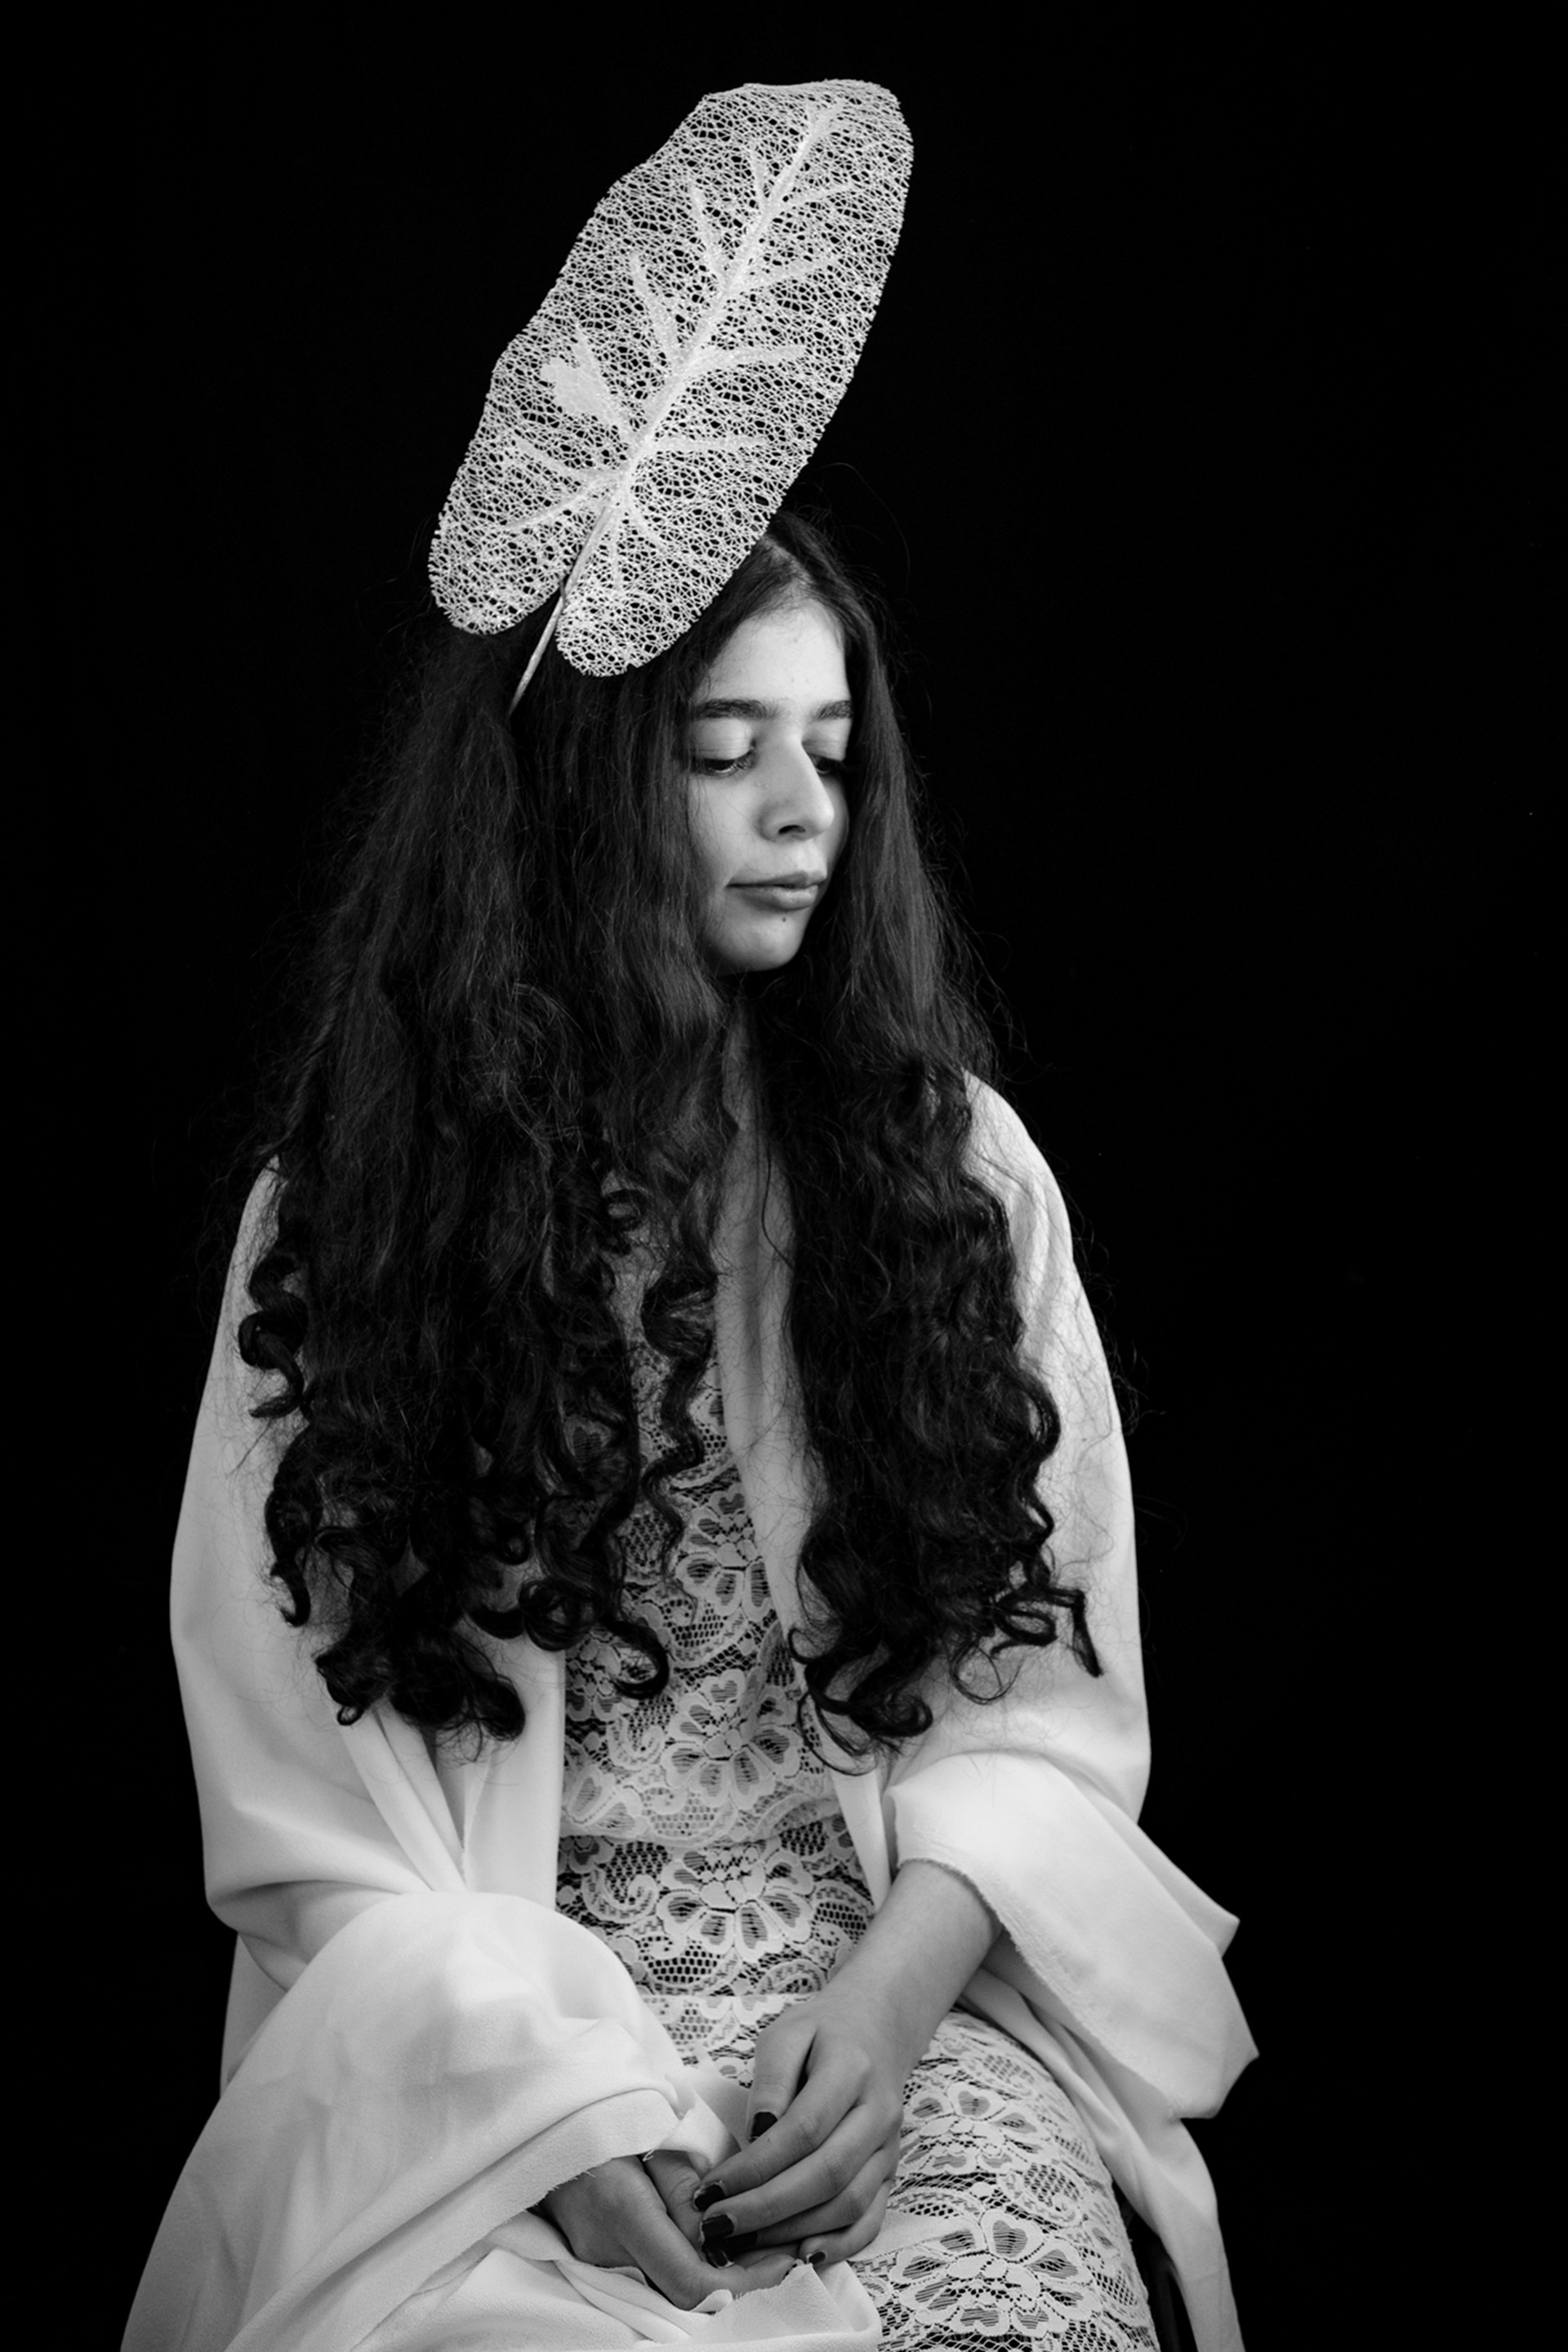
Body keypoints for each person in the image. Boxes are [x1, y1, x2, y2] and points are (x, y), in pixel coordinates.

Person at [127, 509, 1254, 2352]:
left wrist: (883, 2021)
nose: (806, 814)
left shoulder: (955, 1181)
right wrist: (555, 2124)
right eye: (727, 753)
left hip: (888, 2004)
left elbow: (1049, 1715)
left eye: (834, 751)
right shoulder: (352, 1220)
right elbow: (298, 1805)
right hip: (484, 2049)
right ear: (571, 793)